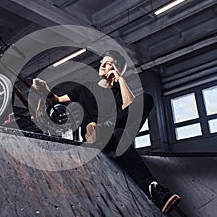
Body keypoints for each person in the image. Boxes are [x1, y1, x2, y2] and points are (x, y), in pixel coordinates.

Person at [32, 50, 181, 215]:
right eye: (102, 61)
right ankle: (155, 191)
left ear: (115, 68)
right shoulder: (84, 88)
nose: (102, 64)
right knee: (119, 135)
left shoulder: (118, 91)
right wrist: (45, 90)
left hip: (111, 134)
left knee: (145, 100)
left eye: (108, 63)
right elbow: (56, 100)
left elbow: (129, 109)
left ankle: (156, 193)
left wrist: (120, 80)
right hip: (94, 138)